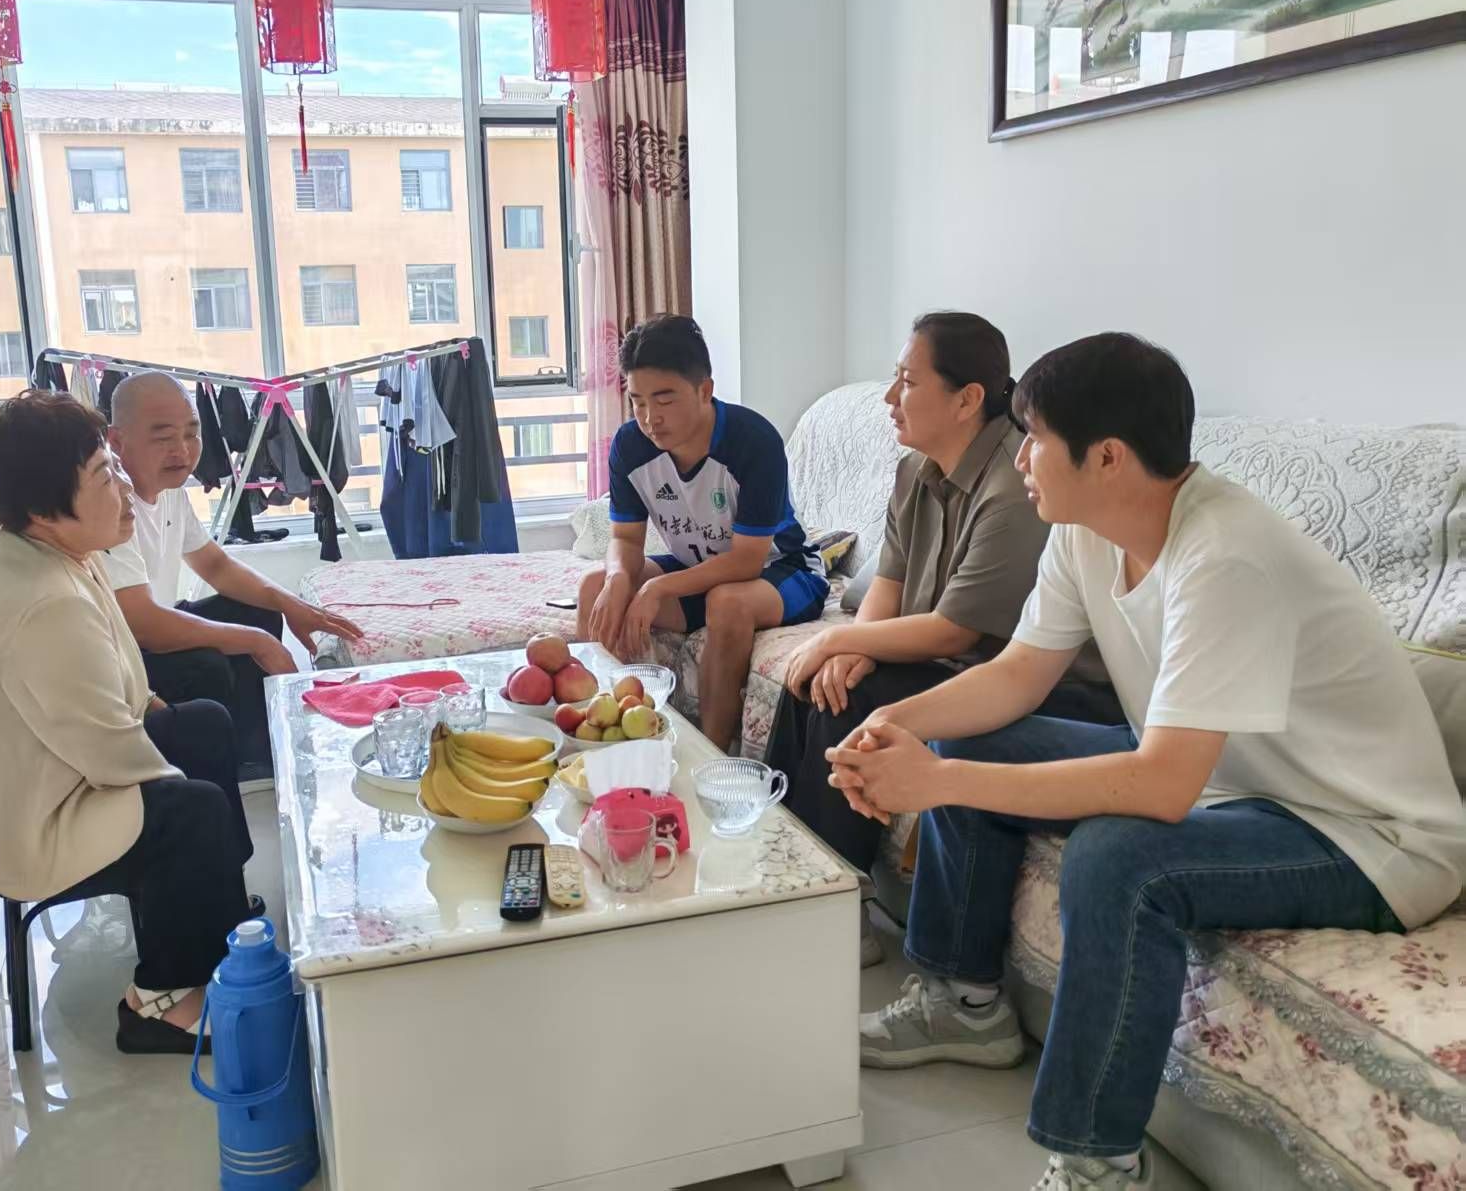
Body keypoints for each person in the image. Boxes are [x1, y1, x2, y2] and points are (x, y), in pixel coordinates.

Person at [827, 334, 1466, 1191]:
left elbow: (1163, 787)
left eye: (1034, 439)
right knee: (971, 737)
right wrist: (890, 723)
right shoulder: (1086, 531)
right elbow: (1017, 676)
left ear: (1107, 456)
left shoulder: (1225, 554)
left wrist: (936, 784)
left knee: (1118, 857)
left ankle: (1099, 1160)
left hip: (1364, 831)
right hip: (1232, 779)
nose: (1018, 459)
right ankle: (965, 1003)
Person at [764, 313, 1119, 967]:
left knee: (853, 691)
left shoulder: (1015, 487)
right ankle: (787, 873)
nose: (889, 397)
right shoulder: (915, 472)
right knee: (813, 681)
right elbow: (889, 586)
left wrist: (839, 646)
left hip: (1036, 686)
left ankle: (836, 908)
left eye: (907, 382)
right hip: (958, 663)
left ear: (967, 399)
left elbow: (957, 628)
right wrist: (854, 643)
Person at [0, 390, 260, 1055]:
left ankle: (220, 912)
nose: (127, 489)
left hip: (44, 769)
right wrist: (189, 797)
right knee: (191, 811)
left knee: (203, 722)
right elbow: (110, 753)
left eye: (116, 467)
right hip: (17, 823)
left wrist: (167, 724)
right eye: (105, 476)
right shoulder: (42, 601)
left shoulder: (58, 554)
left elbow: (122, 681)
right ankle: (158, 1003)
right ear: (46, 510)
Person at [578, 315, 829, 750]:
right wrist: (619, 577)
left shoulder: (753, 441)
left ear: (704, 390)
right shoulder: (630, 446)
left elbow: (747, 561)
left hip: (781, 570)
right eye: (637, 401)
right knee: (595, 584)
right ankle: (603, 734)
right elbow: (626, 540)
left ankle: (709, 756)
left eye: (665, 399)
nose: (650, 418)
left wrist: (657, 587)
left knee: (727, 602)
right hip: (700, 569)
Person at [104, 372, 361, 790]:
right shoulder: (113, 507)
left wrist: (290, 604)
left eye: (192, 433)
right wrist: (258, 642)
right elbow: (143, 625)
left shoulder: (171, 492)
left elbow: (216, 566)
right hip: (125, 655)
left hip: (154, 623)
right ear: (116, 441)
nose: (182, 450)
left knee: (258, 609)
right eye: (163, 437)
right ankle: (217, 770)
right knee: (210, 663)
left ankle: (258, 757)